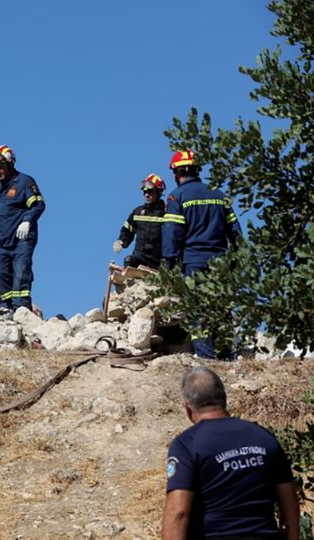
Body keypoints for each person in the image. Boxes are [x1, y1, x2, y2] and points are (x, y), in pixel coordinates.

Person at [162, 366, 299, 540]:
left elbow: (178, 513)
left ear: (187, 407)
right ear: (224, 398)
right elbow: (291, 505)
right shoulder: (264, 438)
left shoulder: (187, 444)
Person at [162, 150, 241, 358]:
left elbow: (171, 232)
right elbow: (236, 232)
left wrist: (170, 265)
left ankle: (207, 358)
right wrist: (239, 260)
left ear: (177, 173)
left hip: (194, 262)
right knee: (222, 309)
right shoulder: (219, 194)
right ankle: (226, 356)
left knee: (198, 311)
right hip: (221, 264)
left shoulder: (177, 197)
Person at [0, 145, 45, 312]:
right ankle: (3, 306)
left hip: (22, 239)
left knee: (20, 271)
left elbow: (38, 204)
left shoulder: (24, 182)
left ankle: (21, 307)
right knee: (0, 273)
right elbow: (1, 214)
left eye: (1, 167)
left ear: (10, 164)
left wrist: (27, 221)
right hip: (3, 239)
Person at [113, 173, 166, 268]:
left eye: (150, 192)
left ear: (159, 192)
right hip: (140, 256)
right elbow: (127, 230)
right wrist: (121, 241)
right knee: (129, 261)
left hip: (158, 259)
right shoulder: (137, 212)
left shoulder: (167, 213)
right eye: (144, 192)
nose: (146, 195)